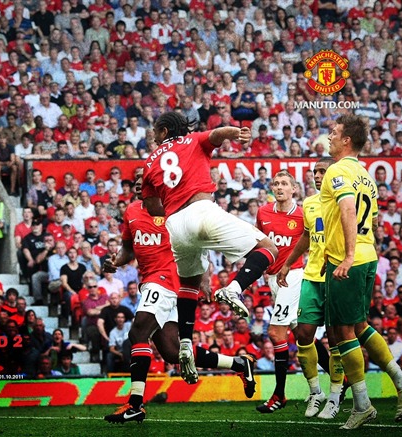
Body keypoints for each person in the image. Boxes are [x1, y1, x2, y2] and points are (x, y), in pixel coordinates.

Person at [103, 168, 255, 424]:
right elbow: (129, 248)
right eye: (137, 182)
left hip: (168, 280)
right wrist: (115, 262)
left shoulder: (174, 209)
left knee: (138, 333)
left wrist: (205, 275)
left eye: (145, 181)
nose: (140, 185)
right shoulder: (131, 211)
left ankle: (136, 404)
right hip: (153, 283)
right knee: (173, 351)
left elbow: (198, 242)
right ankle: (238, 364)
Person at [142, 112, 277, 384]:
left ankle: (185, 343)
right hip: (201, 210)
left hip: (175, 225)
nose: (153, 136)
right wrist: (235, 132)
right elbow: (215, 135)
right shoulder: (192, 140)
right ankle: (234, 289)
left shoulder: (149, 162)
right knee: (268, 247)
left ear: (165, 130)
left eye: (155, 131)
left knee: (189, 284)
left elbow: (151, 207)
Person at [320, 114, 402, 430]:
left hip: (347, 261)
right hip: (368, 255)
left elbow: (348, 209)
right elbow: (373, 221)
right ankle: (401, 382)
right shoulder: (366, 175)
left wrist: (346, 256)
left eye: (334, 131)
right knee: (359, 325)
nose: (329, 135)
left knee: (342, 331)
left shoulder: (337, 170)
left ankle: (362, 404)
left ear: (346, 139)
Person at [277, 157, 342, 419]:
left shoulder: (342, 201)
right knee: (303, 333)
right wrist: (288, 263)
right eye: (314, 171)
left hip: (337, 276)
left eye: (322, 171)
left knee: (336, 339)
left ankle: (336, 396)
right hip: (311, 275)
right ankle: (316, 392)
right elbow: (306, 236)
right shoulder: (311, 204)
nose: (316, 175)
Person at [254, 169, 307, 414]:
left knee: (276, 333)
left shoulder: (303, 214)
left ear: (294, 188)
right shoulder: (263, 212)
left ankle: (279, 394)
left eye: (284, 183)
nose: (279, 187)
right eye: (275, 184)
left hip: (293, 277)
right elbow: (260, 243)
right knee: (303, 335)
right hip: (274, 279)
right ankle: (340, 375)